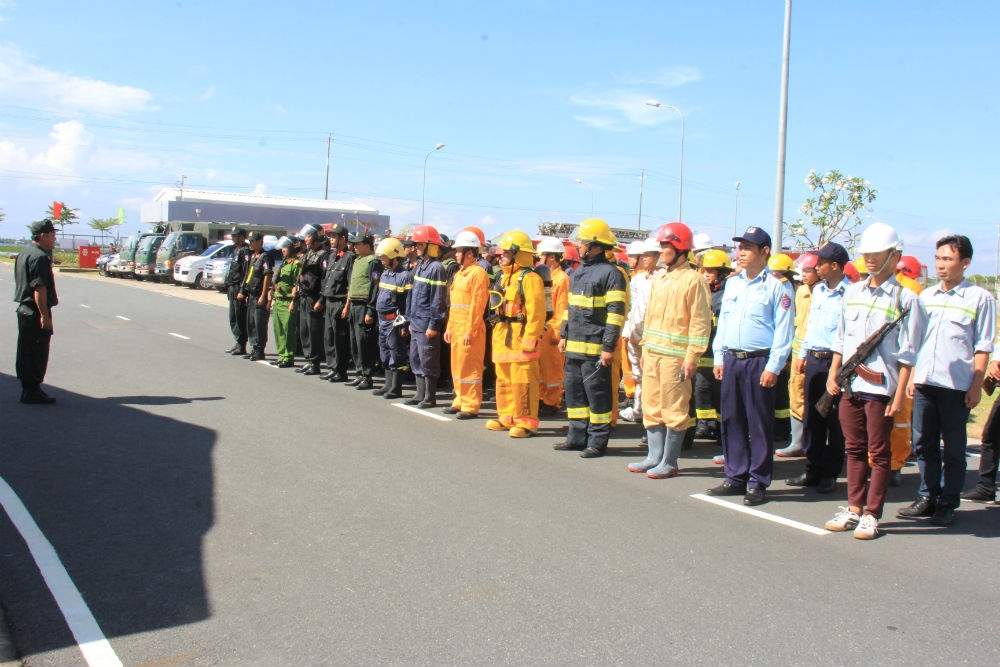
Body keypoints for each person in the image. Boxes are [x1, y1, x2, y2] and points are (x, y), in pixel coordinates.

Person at [823, 222, 916, 539]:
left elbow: (908, 354)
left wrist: (899, 394)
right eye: (867, 254)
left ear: (895, 254)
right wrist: (834, 373)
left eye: (878, 253)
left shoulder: (904, 298)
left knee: (879, 453)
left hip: (881, 388)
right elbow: (841, 339)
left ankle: (872, 515)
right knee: (853, 448)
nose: (871, 260)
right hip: (850, 386)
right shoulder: (854, 292)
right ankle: (853, 508)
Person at [899, 235, 995, 527]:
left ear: (965, 263)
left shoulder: (980, 298)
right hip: (926, 381)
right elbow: (917, 342)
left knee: (953, 448)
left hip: (956, 386)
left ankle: (947, 502)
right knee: (924, 444)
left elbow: (983, 346)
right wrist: (914, 377)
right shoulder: (926, 297)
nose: (941, 265)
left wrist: (977, 384)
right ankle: (927, 497)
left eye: (948, 259)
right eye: (939, 258)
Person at [709, 226, 794, 506]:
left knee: (758, 423)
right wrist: (719, 356)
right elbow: (725, 324)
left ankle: (758, 481)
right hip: (733, 359)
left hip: (759, 360)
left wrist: (774, 366)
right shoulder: (733, 283)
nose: (740, 253)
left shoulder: (778, 286)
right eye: (739, 247)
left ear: (764, 252)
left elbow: (783, 332)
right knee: (731, 419)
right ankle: (735, 475)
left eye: (747, 248)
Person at [627, 223, 712, 478]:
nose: (661, 251)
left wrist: (692, 356)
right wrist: (644, 350)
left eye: (665, 246)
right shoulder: (661, 278)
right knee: (651, 404)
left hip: (676, 357)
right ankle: (653, 456)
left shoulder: (694, 280)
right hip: (652, 353)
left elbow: (699, 321)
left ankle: (670, 461)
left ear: (680, 248)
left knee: (674, 408)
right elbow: (651, 317)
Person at [555, 219, 627, 457]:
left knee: (597, 395)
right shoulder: (578, 273)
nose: (579, 246)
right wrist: (563, 333)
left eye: (583, 242)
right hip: (574, 346)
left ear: (596, 246)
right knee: (574, 394)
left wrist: (608, 347)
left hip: (595, 348)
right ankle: (576, 437)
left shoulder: (612, 274)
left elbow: (615, 315)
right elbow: (570, 307)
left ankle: (597, 441)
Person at [786, 242, 850, 493]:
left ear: (834, 265)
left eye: (820, 263)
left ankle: (830, 473)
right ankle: (812, 468)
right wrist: (802, 354)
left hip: (836, 361)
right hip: (813, 358)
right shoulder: (820, 291)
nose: (816, 267)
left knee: (834, 419)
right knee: (812, 417)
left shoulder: (850, 294)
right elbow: (811, 325)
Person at [486, 230, 547, 437]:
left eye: (505, 252)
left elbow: (537, 313)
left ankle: (526, 422)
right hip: (503, 339)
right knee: (503, 381)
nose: (500, 255)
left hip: (522, 341)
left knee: (523, 384)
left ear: (517, 253)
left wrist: (530, 339)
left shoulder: (529, 278)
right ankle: (506, 417)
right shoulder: (504, 277)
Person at [776, 252, 820, 458]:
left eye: (808, 270)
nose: (803, 275)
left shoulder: (824, 293)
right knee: (796, 395)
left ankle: (813, 443)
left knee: (814, 399)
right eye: (802, 270)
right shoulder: (800, 292)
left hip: (816, 355)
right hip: (797, 354)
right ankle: (797, 442)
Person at [443, 230, 490, 418]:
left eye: (459, 251)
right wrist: (449, 327)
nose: (456, 254)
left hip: (470, 329)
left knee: (470, 368)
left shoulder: (478, 274)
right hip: (457, 327)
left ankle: (470, 405)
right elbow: (455, 305)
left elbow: (477, 307)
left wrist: (469, 331)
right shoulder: (460, 273)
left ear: (470, 253)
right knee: (457, 367)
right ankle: (459, 400)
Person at [14, 219, 59, 404]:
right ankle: (32, 390)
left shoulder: (24, 253)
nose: (54, 238)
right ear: (43, 236)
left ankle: (29, 389)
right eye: (52, 235)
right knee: (37, 351)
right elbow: (39, 288)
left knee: (26, 350)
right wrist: (44, 315)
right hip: (34, 311)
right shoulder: (39, 257)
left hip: (24, 310)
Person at [620, 237, 662, 425]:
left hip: (651, 337)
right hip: (635, 334)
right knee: (638, 375)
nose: (645, 259)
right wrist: (629, 329)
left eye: (648, 255)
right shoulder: (638, 280)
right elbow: (633, 307)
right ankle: (639, 408)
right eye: (643, 255)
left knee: (652, 377)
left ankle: (650, 413)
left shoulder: (663, 280)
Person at [406, 225, 449, 408]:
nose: (416, 247)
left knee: (428, 359)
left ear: (430, 245)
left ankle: (430, 397)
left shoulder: (436, 268)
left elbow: (438, 299)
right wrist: (409, 319)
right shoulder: (421, 266)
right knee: (415, 358)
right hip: (416, 321)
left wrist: (434, 324)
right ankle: (420, 394)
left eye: (420, 244)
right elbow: (413, 294)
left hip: (427, 323)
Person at [693, 248, 732, 444]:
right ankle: (704, 423)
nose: (705, 274)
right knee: (701, 387)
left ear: (722, 273)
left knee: (719, 390)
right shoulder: (703, 291)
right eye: (704, 270)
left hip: (719, 350)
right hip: (703, 349)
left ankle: (718, 425)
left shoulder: (727, 293)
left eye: (710, 270)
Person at [372, 237, 412, 399]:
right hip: (383, 320)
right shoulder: (385, 275)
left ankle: (396, 388)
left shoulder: (404, 276)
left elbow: (406, 303)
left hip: (395, 321)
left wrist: (404, 325)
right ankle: (388, 385)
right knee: (385, 352)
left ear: (394, 256)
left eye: (384, 256)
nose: (382, 259)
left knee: (397, 353)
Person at [536, 236, 571, 417]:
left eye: (542, 255)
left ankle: (552, 401)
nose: (539, 259)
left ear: (551, 257)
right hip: (542, 329)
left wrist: (558, 331)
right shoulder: (544, 277)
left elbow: (562, 307)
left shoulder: (562, 278)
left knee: (553, 369)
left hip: (552, 331)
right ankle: (542, 398)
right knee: (541, 368)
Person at [342, 233, 381, 390]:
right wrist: (348, 305)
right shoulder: (357, 260)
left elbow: (374, 286)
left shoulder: (374, 262)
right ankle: (359, 373)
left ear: (367, 245)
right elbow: (351, 285)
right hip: (355, 304)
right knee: (355, 341)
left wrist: (370, 311)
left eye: (358, 244)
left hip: (365, 305)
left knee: (364, 342)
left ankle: (367, 375)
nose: (354, 247)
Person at [318, 223, 354, 382]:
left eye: (334, 236)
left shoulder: (349, 258)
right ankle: (332, 367)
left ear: (343, 239)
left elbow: (350, 285)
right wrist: (322, 299)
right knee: (329, 337)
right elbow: (326, 280)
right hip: (329, 301)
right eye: (330, 236)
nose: (330, 239)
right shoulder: (332, 257)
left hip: (340, 303)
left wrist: (347, 306)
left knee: (340, 339)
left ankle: (341, 370)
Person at [295, 225, 329, 375]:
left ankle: (315, 363)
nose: (306, 239)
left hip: (314, 297)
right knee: (304, 330)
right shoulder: (309, 253)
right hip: (304, 295)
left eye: (308, 236)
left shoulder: (323, 255)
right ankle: (309, 360)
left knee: (314, 331)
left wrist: (321, 300)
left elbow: (325, 279)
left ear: (315, 237)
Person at [240, 231, 273, 362]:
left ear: (260, 242)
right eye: (250, 241)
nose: (251, 244)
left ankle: (260, 349)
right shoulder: (254, 257)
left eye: (253, 241)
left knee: (259, 323)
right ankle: (254, 348)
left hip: (260, 295)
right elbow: (249, 275)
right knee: (251, 322)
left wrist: (264, 295)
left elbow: (267, 276)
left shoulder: (265, 257)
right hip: (252, 294)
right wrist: (245, 291)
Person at [270, 236, 301, 368]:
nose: (283, 250)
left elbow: (297, 284)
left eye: (285, 247)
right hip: (278, 300)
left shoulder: (296, 264)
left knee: (289, 331)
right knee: (278, 330)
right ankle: (281, 355)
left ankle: (288, 357)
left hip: (288, 301)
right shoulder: (283, 263)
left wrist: (294, 301)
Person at [223, 226, 250, 356]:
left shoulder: (245, 251)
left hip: (239, 288)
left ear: (242, 237)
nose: (233, 238)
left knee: (240, 318)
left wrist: (242, 290)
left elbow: (246, 272)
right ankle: (237, 342)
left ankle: (242, 344)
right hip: (232, 287)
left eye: (235, 236)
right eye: (232, 236)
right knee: (233, 317)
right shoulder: (236, 250)